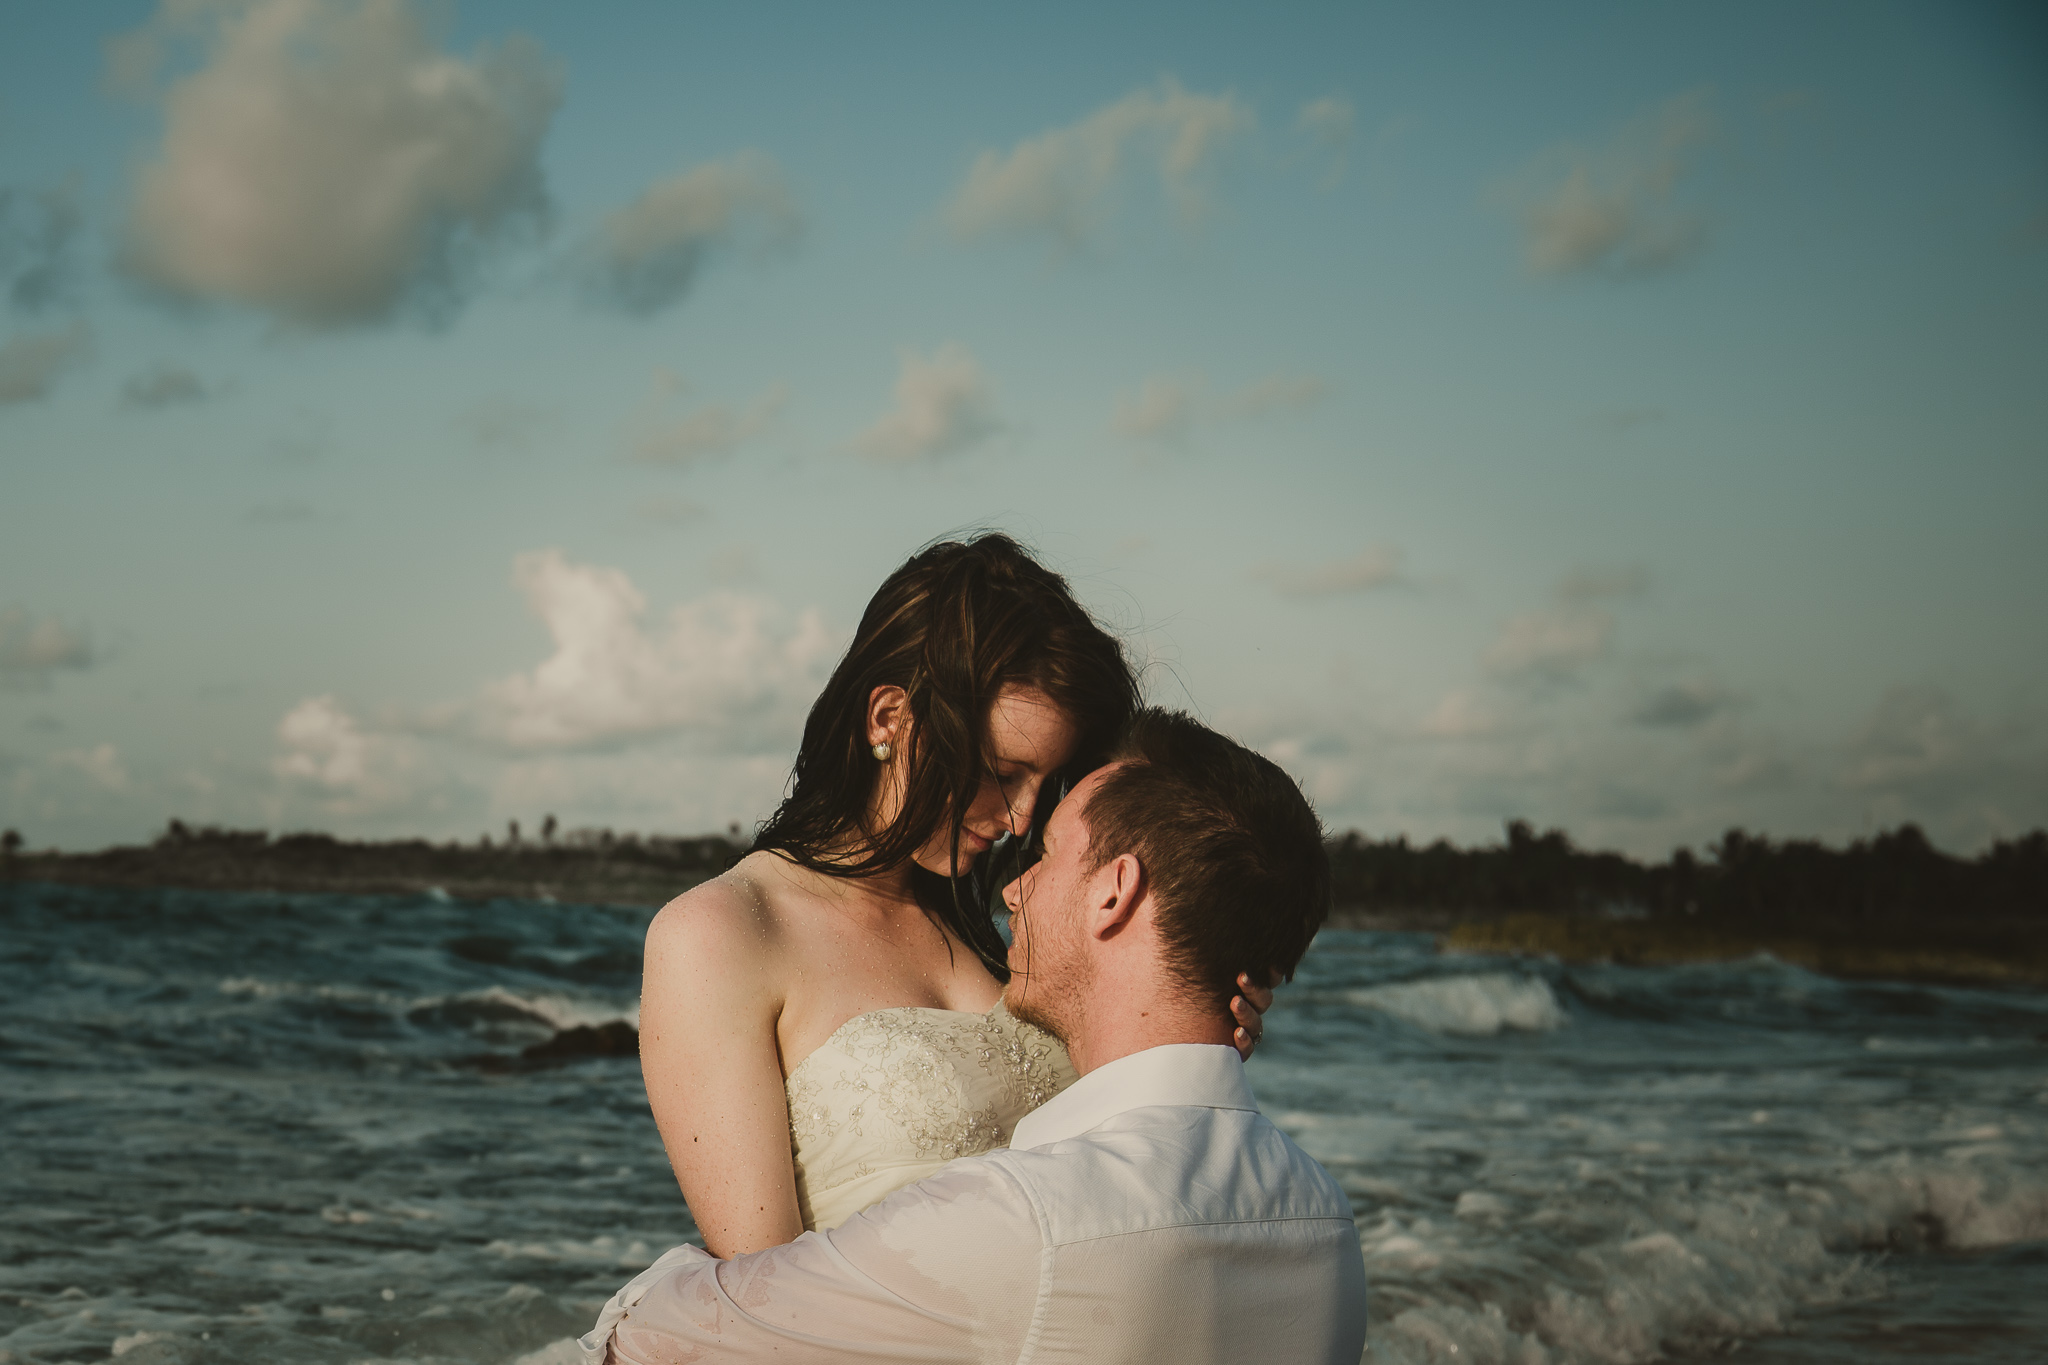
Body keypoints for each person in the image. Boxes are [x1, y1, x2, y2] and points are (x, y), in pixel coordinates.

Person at [582, 708, 1369, 1364]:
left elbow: (669, 1338)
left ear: (1115, 893)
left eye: (1050, 851)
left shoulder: (1017, 1220)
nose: (1015, 886)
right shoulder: (1326, 1223)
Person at [638, 534, 1272, 1256]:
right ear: (887, 720)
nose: (1024, 818)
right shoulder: (721, 935)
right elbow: (760, 1291)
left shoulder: (1014, 933)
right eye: (1001, 769)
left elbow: (1129, 1177)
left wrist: (1187, 1047)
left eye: (1047, 780)